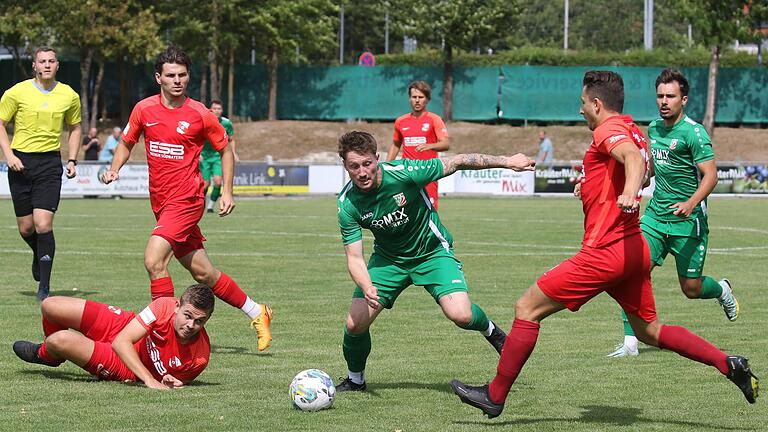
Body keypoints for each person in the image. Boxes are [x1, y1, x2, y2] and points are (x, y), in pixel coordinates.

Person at [450, 71, 759, 418]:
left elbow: (632, 160)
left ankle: (495, 395)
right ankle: (729, 364)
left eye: (583, 104)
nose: (581, 110)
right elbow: (632, 159)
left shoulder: (608, 130)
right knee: (649, 331)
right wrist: (594, 185)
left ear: (597, 104)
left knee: (526, 308)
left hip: (605, 253)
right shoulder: (634, 129)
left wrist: (629, 193)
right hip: (633, 249)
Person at [101, 46, 272, 351]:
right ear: (159, 78)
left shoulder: (200, 113)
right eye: (170, 75)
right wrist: (114, 169)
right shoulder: (143, 109)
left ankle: (163, 335)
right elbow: (126, 142)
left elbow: (226, 149)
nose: (177, 80)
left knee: (154, 260)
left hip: (187, 199)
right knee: (203, 272)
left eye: (182, 75)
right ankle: (257, 312)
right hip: (162, 203)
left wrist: (228, 191)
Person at [335, 131, 535, 391]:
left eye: (367, 164)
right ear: (345, 166)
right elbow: (354, 257)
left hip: (432, 252)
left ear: (377, 158)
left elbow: (459, 161)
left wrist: (507, 161)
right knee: (355, 323)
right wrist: (366, 285)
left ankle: (492, 332)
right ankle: (355, 380)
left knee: (461, 315)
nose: (362, 172)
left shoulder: (405, 172)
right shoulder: (347, 203)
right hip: (389, 261)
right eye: (354, 166)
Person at [608, 68, 738, 358]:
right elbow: (653, 167)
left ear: (684, 99)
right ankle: (631, 342)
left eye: (671, 96)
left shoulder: (694, 133)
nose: (664, 101)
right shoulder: (654, 129)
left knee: (690, 288)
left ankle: (721, 290)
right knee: (632, 271)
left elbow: (711, 176)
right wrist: (641, 179)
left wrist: (691, 204)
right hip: (655, 218)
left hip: (687, 222)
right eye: (660, 96)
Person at [13, 284, 213, 389]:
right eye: (187, 316)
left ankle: (44, 352)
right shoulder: (163, 305)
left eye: (199, 321)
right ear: (177, 306)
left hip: (127, 366)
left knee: (59, 339)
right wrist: (150, 381)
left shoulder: (200, 357)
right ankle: (52, 356)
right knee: (50, 305)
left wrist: (169, 381)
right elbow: (122, 340)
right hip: (125, 328)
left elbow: (176, 382)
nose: (190, 325)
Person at [0, 46, 81, 301]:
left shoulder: (69, 94)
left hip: (49, 164)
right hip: (20, 163)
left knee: (43, 224)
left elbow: (75, 127)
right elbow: (1, 124)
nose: (47, 65)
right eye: (42, 61)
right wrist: (9, 155)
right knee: (26, 228)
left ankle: (44, 287)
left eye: (52, 61)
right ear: (34, 65)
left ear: (58, 65)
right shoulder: (16, 92)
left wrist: (71, 159)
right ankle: (38, 253)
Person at [387, 81, 449, 210]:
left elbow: (446, 143)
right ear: (409, 98)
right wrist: (386, 167)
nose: (417, 100)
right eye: (414, 97)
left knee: (429, 211)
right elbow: (395, 144)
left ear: (427, 99)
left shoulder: (434, 119)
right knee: (405, 212)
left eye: (420, 97)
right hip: (407, 175)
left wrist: (429, 146)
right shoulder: (401, 121)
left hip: (428, 173)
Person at [200, 99, 239, 214]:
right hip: (204, 157)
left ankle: (210, 206)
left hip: (218, 156)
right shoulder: (204, 121)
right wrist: (197, 154)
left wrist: (233, 153)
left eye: (219, 108)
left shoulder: (226, 123)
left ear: (222, 110)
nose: (217, 111)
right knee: (205, 185)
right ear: (210, 109)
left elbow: (231, 140)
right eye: (214, 108)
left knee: (218, 182)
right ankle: (199, 206)